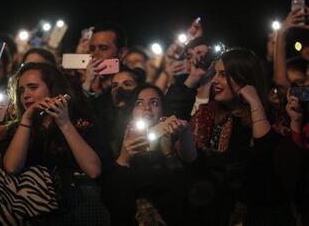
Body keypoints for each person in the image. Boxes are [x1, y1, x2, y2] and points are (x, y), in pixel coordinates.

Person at [175, 48, 291, 225]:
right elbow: (192, 160)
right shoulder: (207, 115)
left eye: (222, 75)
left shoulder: (271, 116)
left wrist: (254, 102)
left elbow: (265, 155)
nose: (214, 80)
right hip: (215, 213)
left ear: (244, 78)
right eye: (215, 74)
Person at [103, 84, 188, 226]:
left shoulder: (174, 144)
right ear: (132, 110)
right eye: (139, 103)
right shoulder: (117, 145)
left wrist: (168, 155)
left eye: (154, 103)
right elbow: (112, 201)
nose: (147, 108)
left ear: (163, 112)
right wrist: (124, 159)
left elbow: (181, 199)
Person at [3, 62, 105, 178]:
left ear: (52, 89)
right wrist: (26, 120)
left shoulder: (80, 120)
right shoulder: (21, 127)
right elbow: (11, 167)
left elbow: (93, 171)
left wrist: (64, 123)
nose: (25, 95)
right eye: (21, 90)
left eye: (33, 87)